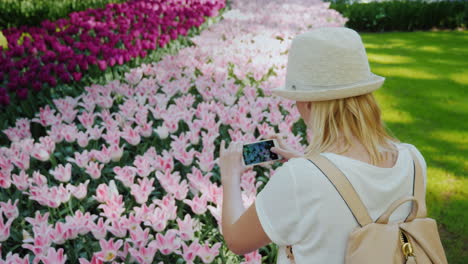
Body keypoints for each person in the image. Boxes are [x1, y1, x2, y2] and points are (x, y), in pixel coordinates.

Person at [218, 27, 427, 263]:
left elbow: (236, 241)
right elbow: (358, 187)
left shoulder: (299, 179)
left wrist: (230, 177)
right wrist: (315, 166)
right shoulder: (413, 159)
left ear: (307, 104)